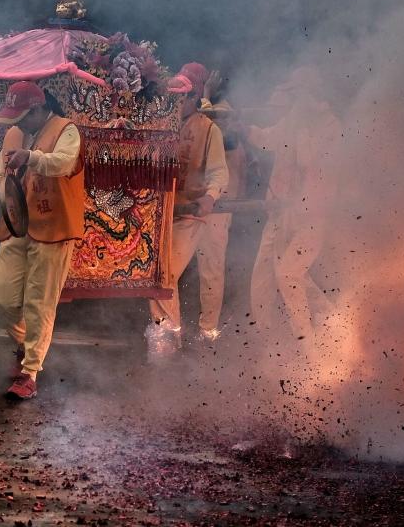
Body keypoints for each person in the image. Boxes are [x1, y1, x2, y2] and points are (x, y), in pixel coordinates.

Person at [0, 81, 84, 400]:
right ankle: (26, 345)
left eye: (21, 116)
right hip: (17, 224)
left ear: (39, 109)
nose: (16, 123)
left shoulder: (65, 129)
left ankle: (30, 371)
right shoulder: (13, 134)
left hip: (54, 227)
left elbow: (63, 163)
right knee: (0, 298)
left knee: (39, 303)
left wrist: (30, 156)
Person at [241, 65, 342, 358]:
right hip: (282, 213)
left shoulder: (331, 127)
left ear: (311, 94)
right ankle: (266, 339)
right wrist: (244, 129)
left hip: (313, 216)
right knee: (266, 274)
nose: (291, 99)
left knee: (288, 275)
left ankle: (309, 348)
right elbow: (269, 138)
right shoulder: (295, 119)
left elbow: (315, 165)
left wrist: (304, 131)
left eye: (296, 93)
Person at [145, 63, 229, 358]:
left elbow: (219, 172)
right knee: (159, 273)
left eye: (179, 97)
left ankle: (175, 338)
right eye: (171, 97)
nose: (174, 103)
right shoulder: (160, 124)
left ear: (193, 97)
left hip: (191, 214)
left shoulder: (209, 129)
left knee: (165, 272)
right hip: (163, 212)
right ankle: (167, 336)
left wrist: (210, 197)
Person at [190, 72, 248, 343]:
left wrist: (204, 94)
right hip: (198, 201)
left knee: (211, 266)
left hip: (218, 202)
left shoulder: (224, 115)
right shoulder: (201, 115)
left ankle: (208, 330)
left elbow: (222, 136)